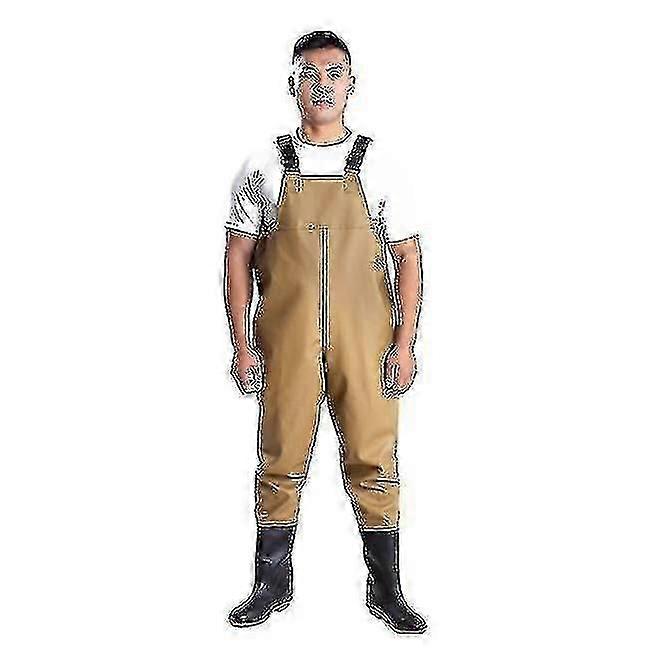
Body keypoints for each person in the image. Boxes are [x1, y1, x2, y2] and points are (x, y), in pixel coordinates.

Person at [221, 30, 426, 634]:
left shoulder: (379, 165)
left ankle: (386, 589)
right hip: (285, 341)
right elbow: (237, 257)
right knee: (280, 458)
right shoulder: (263, 165)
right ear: (293, 84)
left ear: (351, 84)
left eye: (334, 73)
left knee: (374, 459)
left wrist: (405, 344)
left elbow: (409, 258)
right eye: (309, 74)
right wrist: (242, 344)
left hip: (367, 344)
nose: (322, 84)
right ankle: (270, 583)